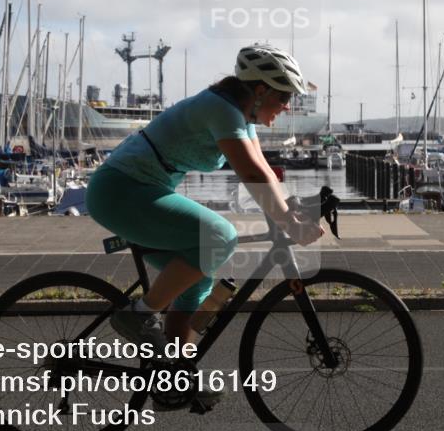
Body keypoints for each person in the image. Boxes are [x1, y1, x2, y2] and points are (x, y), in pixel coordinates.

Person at [86, 45, 325, 354]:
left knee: (197, 281)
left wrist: (291, 208)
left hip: (140, 190)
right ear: (262, 91)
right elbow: (251, 175)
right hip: (121, 191)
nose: (287, 107)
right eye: (284, 96)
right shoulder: (221, 111)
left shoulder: (239, 116)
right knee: (219, 237)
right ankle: (139, 316)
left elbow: (263, 169)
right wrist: (288, 222)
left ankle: (174, 379)